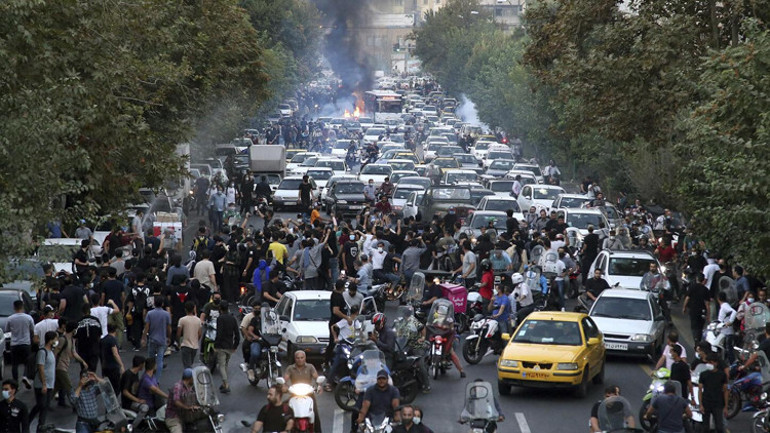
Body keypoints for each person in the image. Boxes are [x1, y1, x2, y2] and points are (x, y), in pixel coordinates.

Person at [282, 350, 322, 432]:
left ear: (305, 358)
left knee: (315, 414)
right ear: (295, 359)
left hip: (308, 394)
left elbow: (316, 378)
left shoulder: (310, 367)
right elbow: (284, 380)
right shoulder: (290, 368)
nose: (300, 360)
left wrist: (319, 385)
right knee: (283, 410)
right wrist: (283, 386)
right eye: (298, 358)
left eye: (301, 358)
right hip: (294, 394)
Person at [29, 331, 56, 432]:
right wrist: (44, 383)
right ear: (50, 340)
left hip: (49, 384)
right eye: (55, 339)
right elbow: (41, 368)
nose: (56, 341)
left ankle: (41, 427)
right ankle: (27, 420)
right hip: (41, 384)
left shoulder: (51, 352)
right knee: (41, 405)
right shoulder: (42, 352)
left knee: (45, 406)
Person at [5, 300, 34, 388]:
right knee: (27, 362)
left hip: (14, 343)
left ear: (14, 307)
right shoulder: (28, 318)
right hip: (26, 343)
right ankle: (25, 376)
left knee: (14, 364)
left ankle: (15, 383)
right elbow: (33, 329)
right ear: (22, 307)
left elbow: (7, 330)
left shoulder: (10, 318)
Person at [142, 295, 171, 383]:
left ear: (154, 303)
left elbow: (146, 327)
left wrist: (144, 337)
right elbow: (168, 327)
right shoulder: (166, 314)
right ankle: (156, 379)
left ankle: (149, 376)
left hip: (152, 339)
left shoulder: (150, 313)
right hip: (162, 339)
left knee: (150, 358)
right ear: (162, 304)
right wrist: (169, 337)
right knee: (160, 360)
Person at [165, 368, 203, 433]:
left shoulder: (189, 387)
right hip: (174, 417)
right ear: (190, 378)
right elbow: (176, 401)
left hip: (185, 416)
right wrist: (188, 407)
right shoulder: (178, 387)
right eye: (193, 377)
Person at [698, 353, 728, 433]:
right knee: (705, 428)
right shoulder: (703, 374)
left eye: (711, 362)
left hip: (718, 403)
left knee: (719, 427)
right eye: (708, 362)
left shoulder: (722, 375)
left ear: (716, 363)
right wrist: (701, 405)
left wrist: (725, 406)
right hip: (706, 402)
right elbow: (700, 390)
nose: (709, 364)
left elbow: (725, 391)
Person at [214, 301, 239, 394]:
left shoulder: (220, 319)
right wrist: (235, 345)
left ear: (220, 308)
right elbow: (237, 333)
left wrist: (216, 345)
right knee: (225, 365)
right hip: (230, 346)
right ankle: (224, 383)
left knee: (221, 366)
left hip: (222, 346)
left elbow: (219, 333)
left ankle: (226, 384)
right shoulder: (233, 318)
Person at [119, 355, 149, 432]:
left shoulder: (135, 373)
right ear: (140, 364)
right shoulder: (128, 375)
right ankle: (132, 426)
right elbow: (125, 392)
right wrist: (138, 400)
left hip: (134, 400)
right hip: (129, 402)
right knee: (145, 408)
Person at [682, 273, 710, 344]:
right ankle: (699, 339)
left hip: (693, 310)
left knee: (694, 326)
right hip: (702, 311)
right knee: (700, 326)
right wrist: (708, 314)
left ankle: (696, 339)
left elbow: (687, 298)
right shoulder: (705, 289)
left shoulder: (692, 287)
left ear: (697, 279)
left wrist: (684, 307)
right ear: (703, 280)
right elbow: (707, 304)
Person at [75, 304, 103, 372]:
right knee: (93, 369)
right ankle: (92, 381)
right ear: (90, 311)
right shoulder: (96, 320)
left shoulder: (78, 322)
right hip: (94, 347)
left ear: (82, 312)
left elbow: (75, 337)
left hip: (82, 349)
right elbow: (99, 335)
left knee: (84, 369)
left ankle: (84, 381)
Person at [177, 301, 202, 369]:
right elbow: (199, 334)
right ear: (194, 309)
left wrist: (179, 342)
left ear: (185, 309)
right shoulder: (198, 320)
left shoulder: (182, 320)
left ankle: (188, 378)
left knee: (187, 366)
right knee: (191, 363)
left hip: (185, 345)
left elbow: (178, 333)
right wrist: (196, 340)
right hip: (195, 346)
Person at [100, 324, 125, 393]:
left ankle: (109, 401)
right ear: (116, 330)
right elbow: (115, 353)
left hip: (105, 366)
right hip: (113, 366)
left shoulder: (103, 340)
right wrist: (121, 365)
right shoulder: (112, 340)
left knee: (108, 386)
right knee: (116, 387)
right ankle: (114, 402)